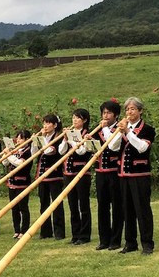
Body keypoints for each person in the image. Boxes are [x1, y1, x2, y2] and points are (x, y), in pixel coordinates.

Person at [111, 97, 156, 255]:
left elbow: (142, 147)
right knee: (126, 209)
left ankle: (147, 243)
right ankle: (130, 243)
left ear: (140, 111)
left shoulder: (148, 129)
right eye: (127, 110)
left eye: (132, 109)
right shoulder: (123, 128)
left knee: (142, 209)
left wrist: (128, 132)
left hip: (140, 174)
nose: (129, 112)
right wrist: (119, 132)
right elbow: (112, 146)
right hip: (123, 174)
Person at [94, 100, 124, 251]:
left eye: (108, 113)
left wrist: (105, 129)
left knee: (117, 206)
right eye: (103, 113)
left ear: (116, 115)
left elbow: (113, 145)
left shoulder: (118, 129)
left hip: (114, 173)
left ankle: (115, 239)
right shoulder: (98, 130)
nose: (105, 116)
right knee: (102, 206)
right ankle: (103, 239)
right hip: (100, 173)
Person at [61, 108, 93, 245]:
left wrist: (72, 140)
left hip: (82, 173)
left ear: (84, 120)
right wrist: (64, 139)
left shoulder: (88, 134)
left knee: (83, 205)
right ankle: (75, 234)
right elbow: (61, 151)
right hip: (68, 173)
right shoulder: (70, 134)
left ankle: (85, 235)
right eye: (73, 117)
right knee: (72, 205)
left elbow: (80, 151)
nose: (74, 120)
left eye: (77, 118)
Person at [33, 114, 66, 240]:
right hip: (42, 175)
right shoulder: (43, 137)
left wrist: (41, 139)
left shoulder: (58, 137)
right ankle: (45, 231)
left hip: (54, 175)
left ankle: (59, 232)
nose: (45, 126)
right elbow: (35, 153)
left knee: (56, 204)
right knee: (43, 203)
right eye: (44, 123)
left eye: (48, 123)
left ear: (55, 125)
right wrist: (35, 141)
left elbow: (50, 150)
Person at [3, 129, 33, 239]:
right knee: (14, 207)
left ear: (26, 140)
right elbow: (5, 163)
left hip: (22, 182)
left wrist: (9, 155)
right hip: (12, 182)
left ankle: (24, 230)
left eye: (21, 138)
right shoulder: (15, 150)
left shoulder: (28, 151)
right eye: (18, 138)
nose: (18, 140)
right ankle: (16, 230)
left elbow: (20, 163)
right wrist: (5, 155)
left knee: (23, 207)